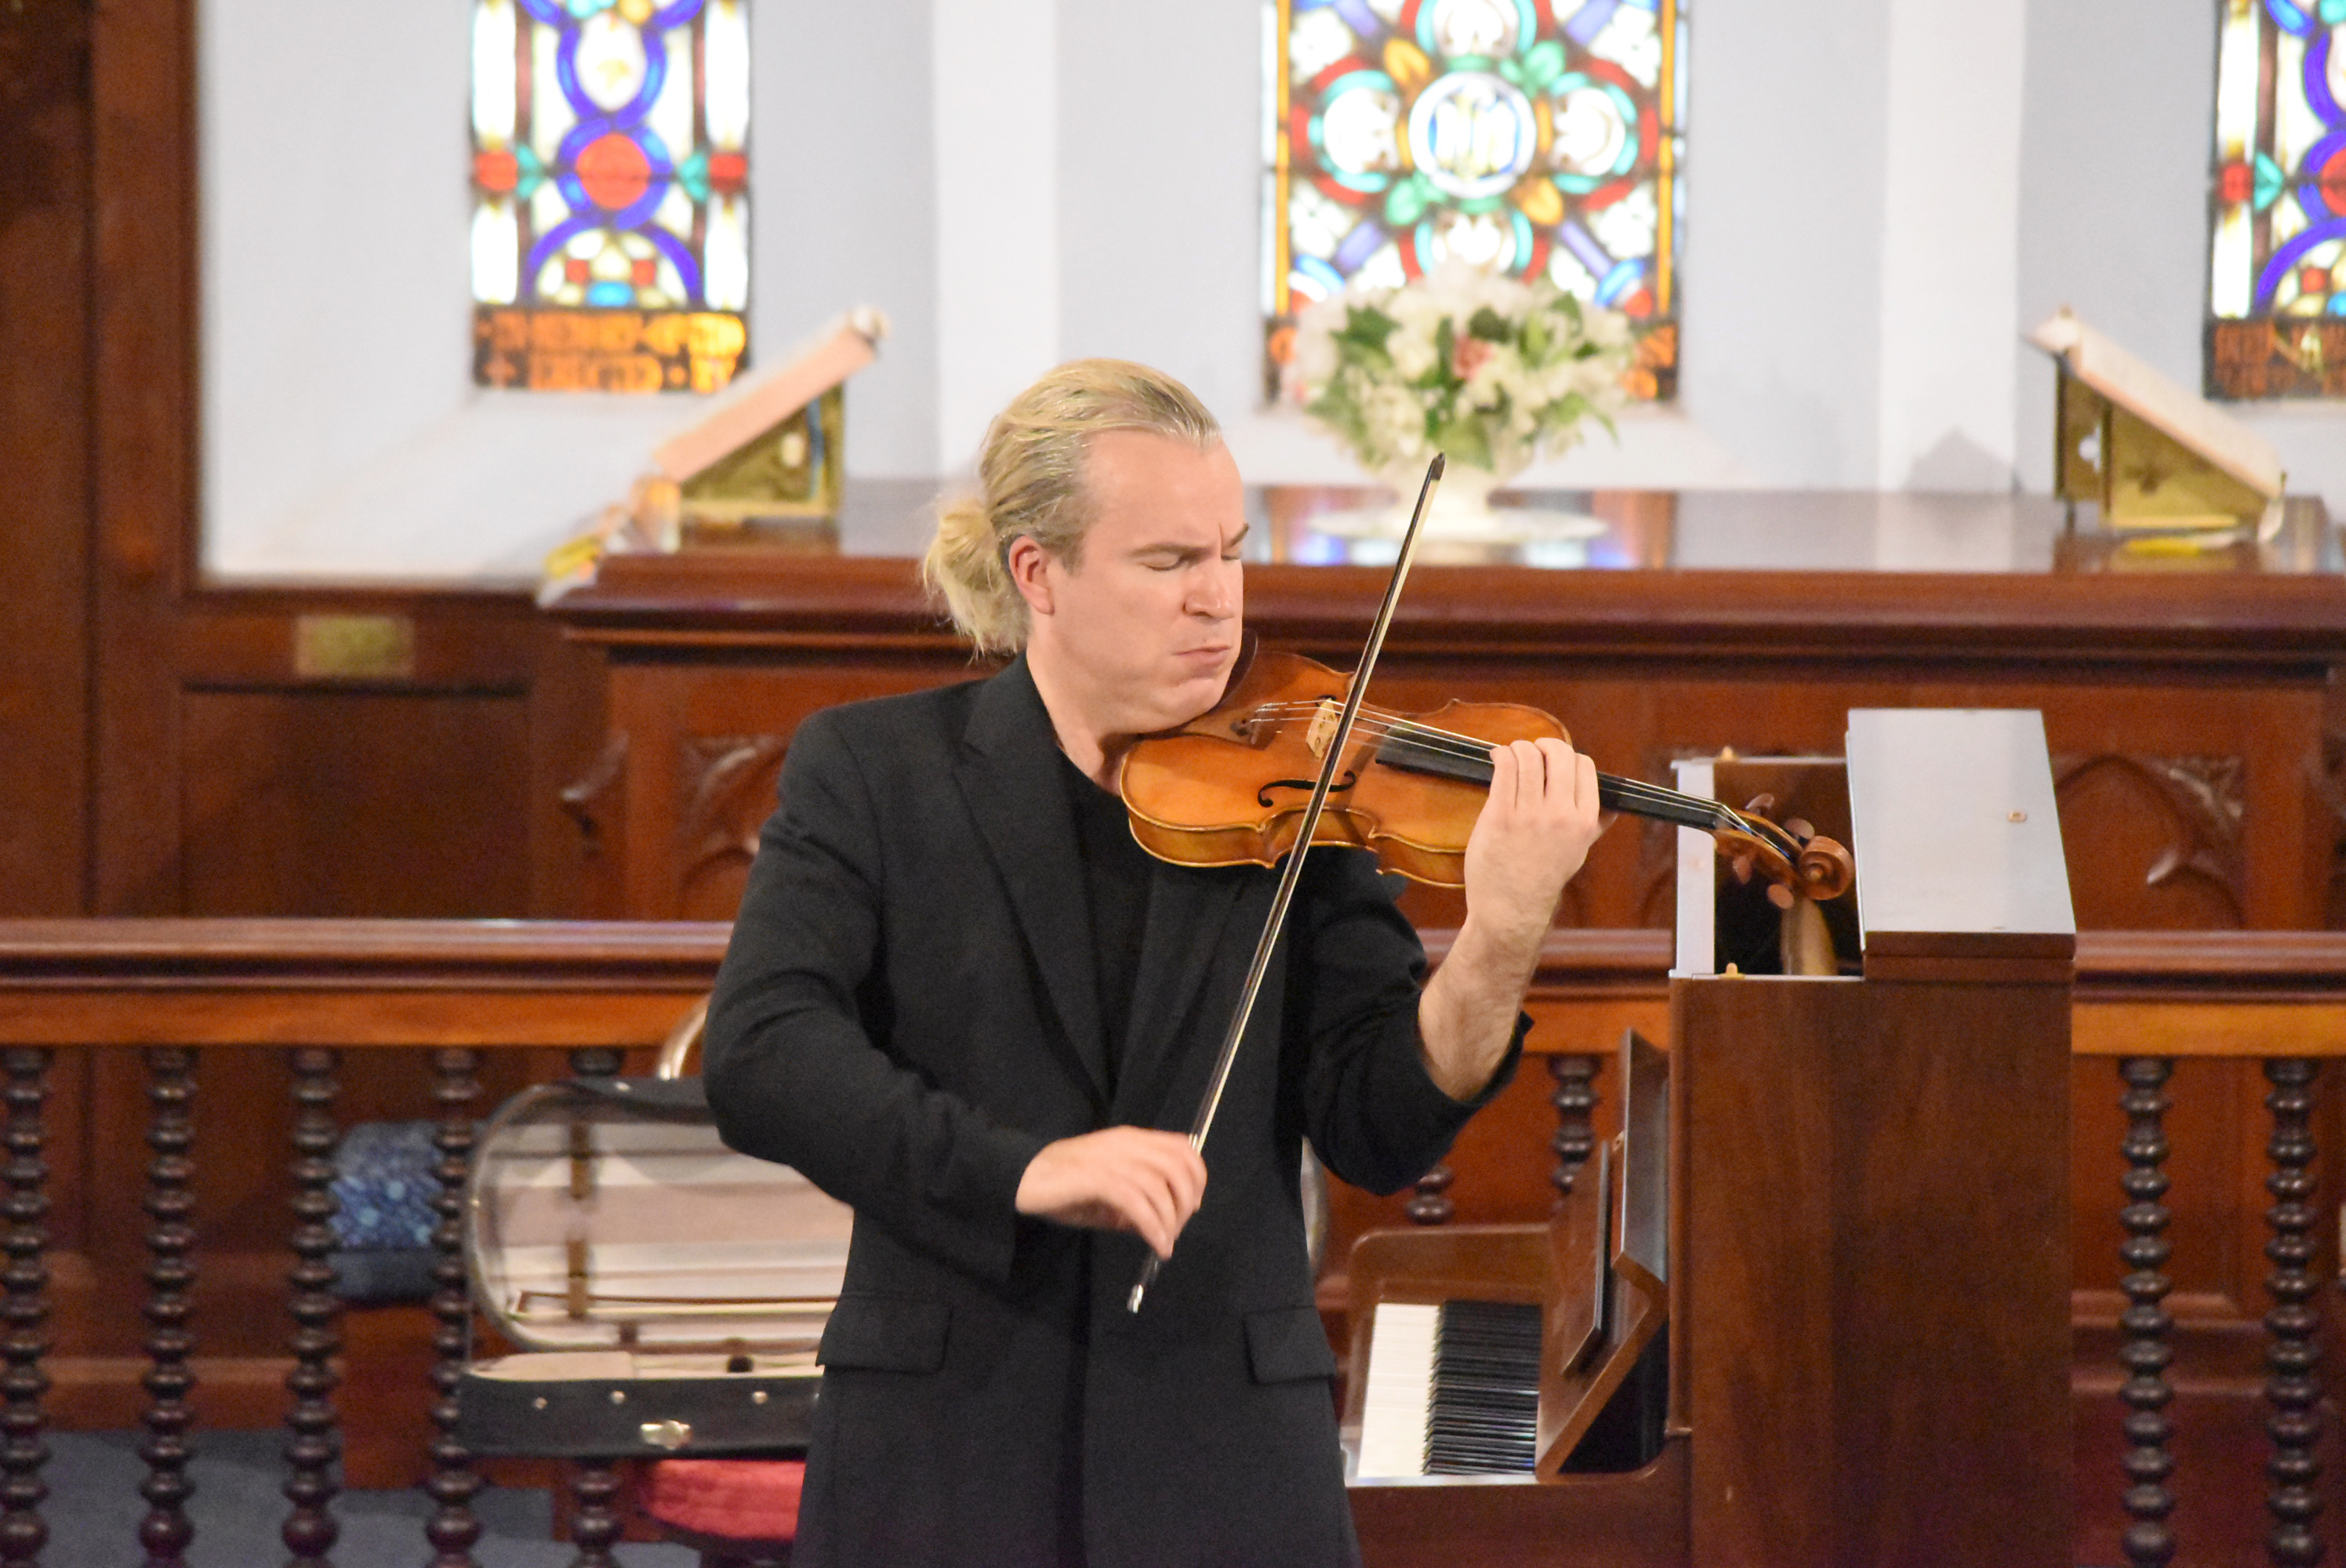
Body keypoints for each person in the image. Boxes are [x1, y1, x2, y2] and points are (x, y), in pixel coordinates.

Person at [703, 359, 1605, 1568]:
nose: (1218, 602)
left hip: (1223, 1444)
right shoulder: (873, 772)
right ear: (1041, 574)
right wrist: (1024, 1169)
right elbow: (763, 1056)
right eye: (1170, 563)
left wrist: (1500, 934)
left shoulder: (1301, 784)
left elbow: (1379, 1124)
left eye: (1230, 554)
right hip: (945, 1440)